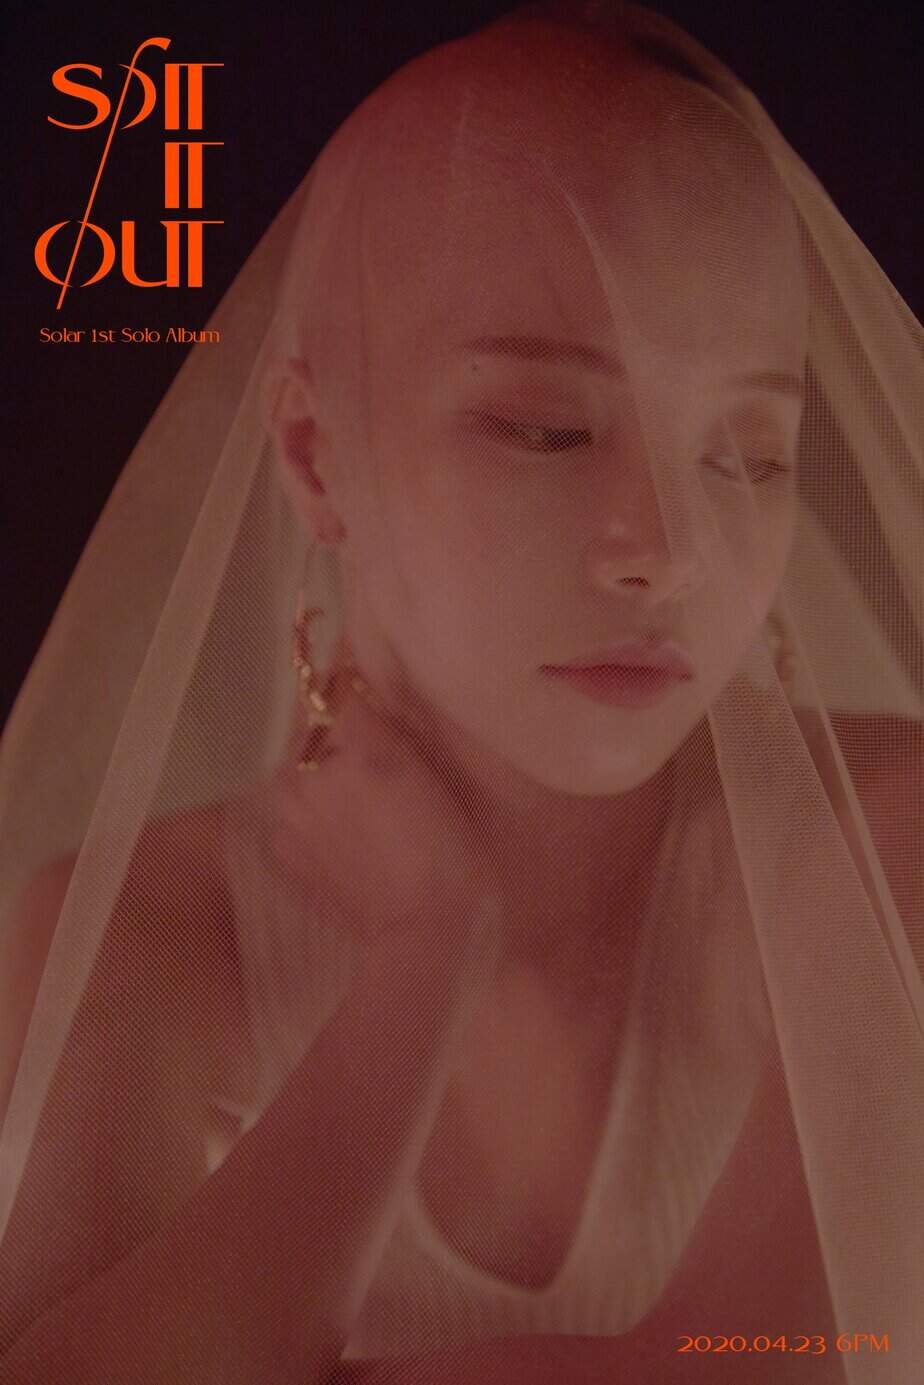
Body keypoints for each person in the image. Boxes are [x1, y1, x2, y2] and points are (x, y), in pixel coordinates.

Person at [1, 3, 922, 1382]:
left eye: (748, 453)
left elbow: (768, 1366)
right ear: (315, 455)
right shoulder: (150, 927)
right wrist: (423, 962)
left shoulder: (886, 842)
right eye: (547, 428)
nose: (669, 547)